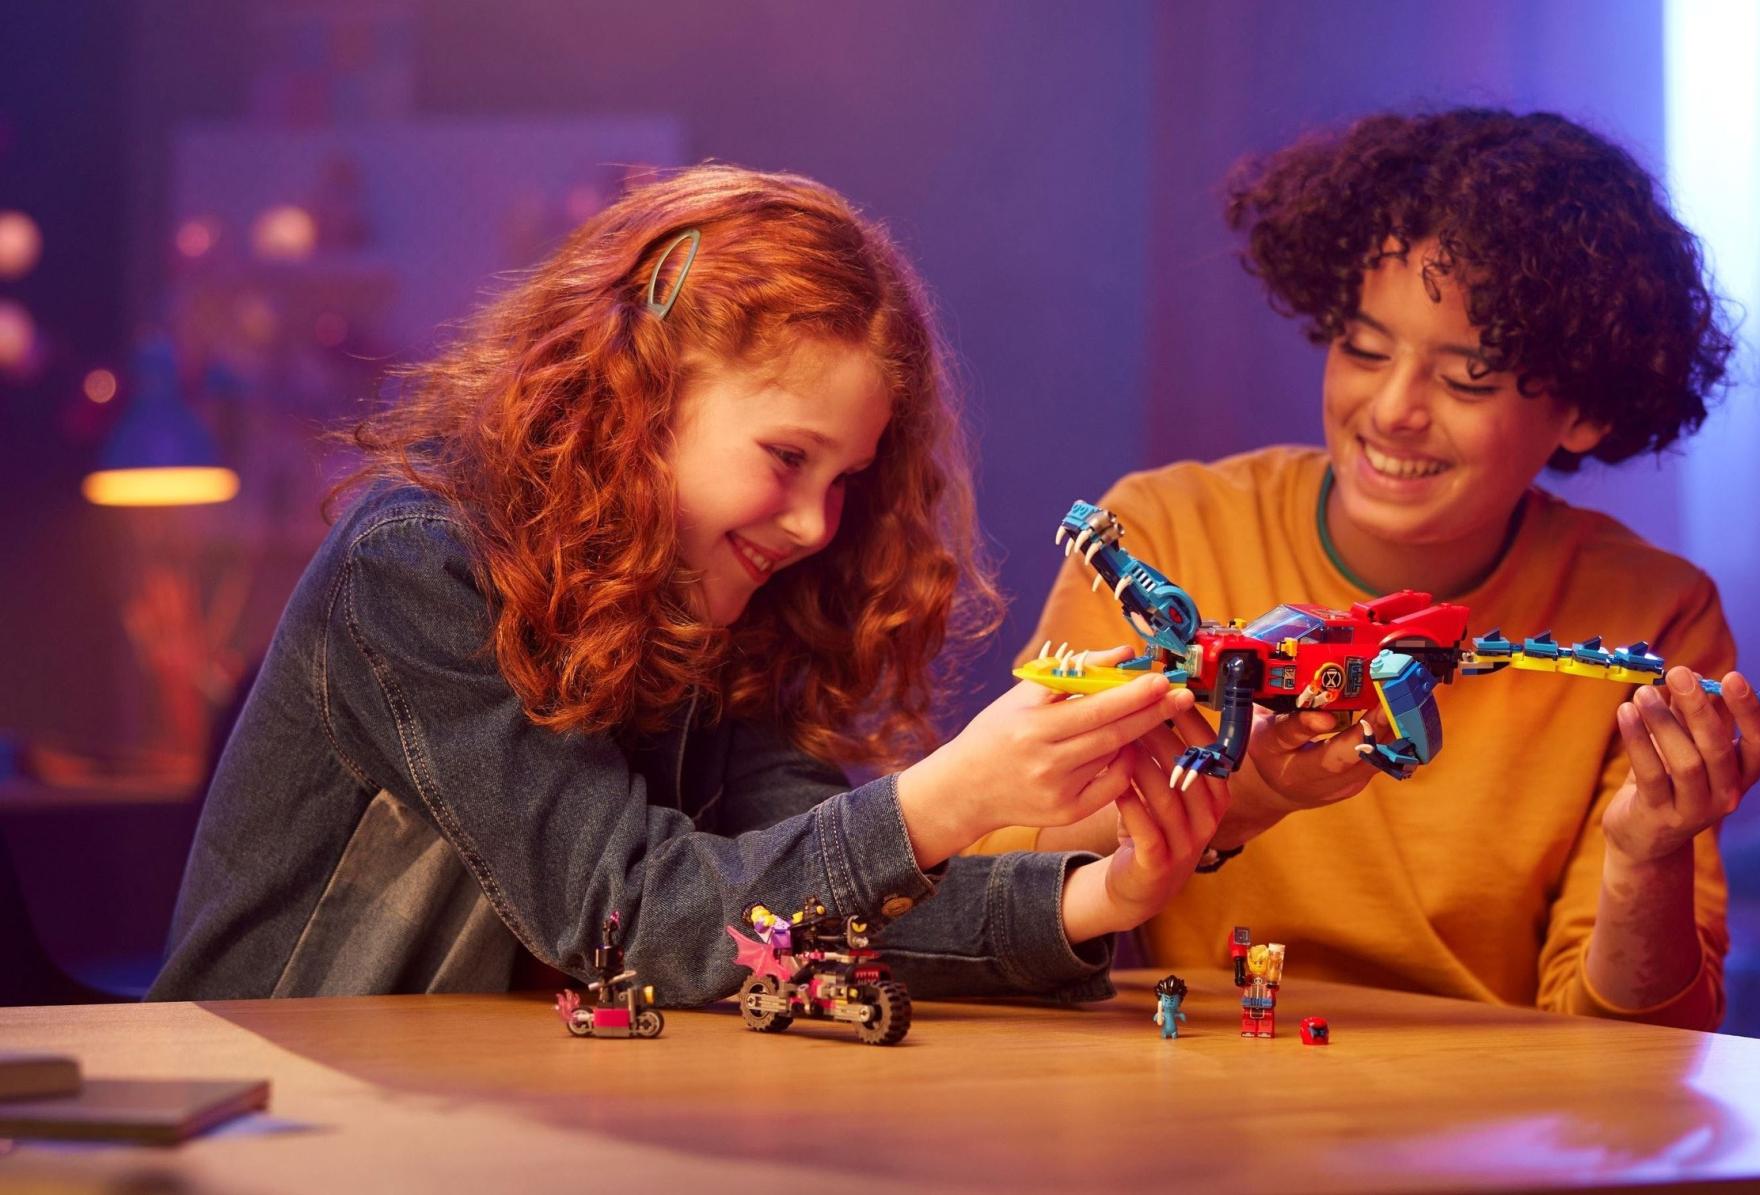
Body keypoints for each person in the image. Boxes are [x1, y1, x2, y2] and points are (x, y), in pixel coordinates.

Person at [149, 166, 1223, 1003]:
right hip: (275, 1112)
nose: (815, 524)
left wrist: (1096, 896)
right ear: (640, 396)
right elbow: (629, 914)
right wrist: (954, 795)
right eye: (787, 456)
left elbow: (798, 908)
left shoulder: (712, 604)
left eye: (844, 479)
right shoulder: (418, 564)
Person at [999, 109, 1760, 1031]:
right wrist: (1246, 795)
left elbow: (1639, 1044)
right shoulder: (1170, 528)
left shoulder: (1655, 612)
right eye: (1365, 349)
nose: (1393, 409)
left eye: (1469, 378)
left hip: (1503, 1104)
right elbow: (998, 880)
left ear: (1586, 410)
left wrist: (1650, 858)